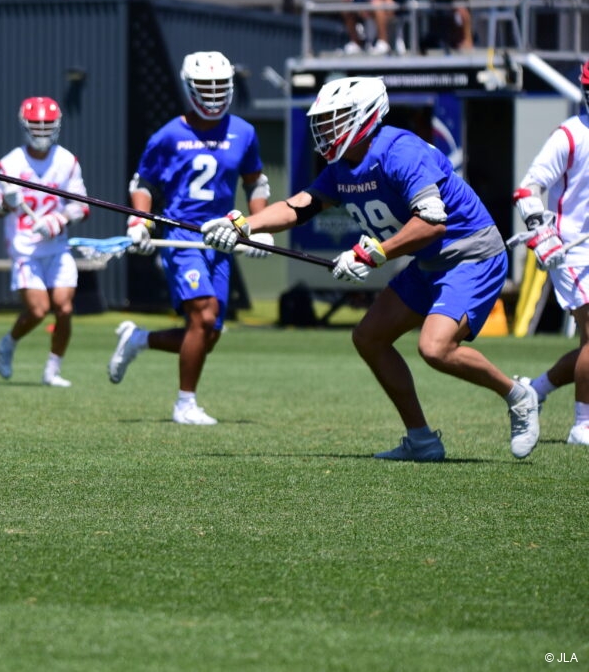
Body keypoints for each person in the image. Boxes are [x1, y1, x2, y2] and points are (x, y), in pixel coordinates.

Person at [201, 75, 539, 460]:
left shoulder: (400, 151)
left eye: (335, 119)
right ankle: (422, 441)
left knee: (435, 348)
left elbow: (432, 223)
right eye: (322, 121)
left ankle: (518, 395)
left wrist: (371, 254)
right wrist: (243, 225)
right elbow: (299, 206)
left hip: (471, 254)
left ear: (365, 116)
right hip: (429, 261)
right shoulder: (343, 165)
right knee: (369, 337)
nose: (326, 129)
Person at [107, 51, 272, 425]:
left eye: (219, 86)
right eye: (205, 87)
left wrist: (257, 226)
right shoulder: (168, 135)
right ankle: (185, 404)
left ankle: (138, 339)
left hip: (222, 237)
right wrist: (139, 223)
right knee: (204, 314)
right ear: (189, 87)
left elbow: (255, 182)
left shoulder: (244, 132)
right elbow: (143, 184)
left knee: (208, 333)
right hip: (182, 234)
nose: (213, 94)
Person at [509, 59, 589, 447]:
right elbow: (528, 189)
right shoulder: (570, 134)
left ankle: (535, 389)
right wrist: (541, 229)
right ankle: (582, 426)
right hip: (573, 252)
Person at [0, 96, 89, 388]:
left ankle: (52, 370)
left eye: (47, 125)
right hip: (25, 248)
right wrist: (7, 202)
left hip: (57, 246)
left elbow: (81, 206)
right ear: (25, 125)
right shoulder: (10, 163)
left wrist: (59, 220)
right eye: (36, 124)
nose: (42, 130)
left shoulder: (67, 161)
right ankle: (8, 343)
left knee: (65, 309)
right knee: (38, 310)